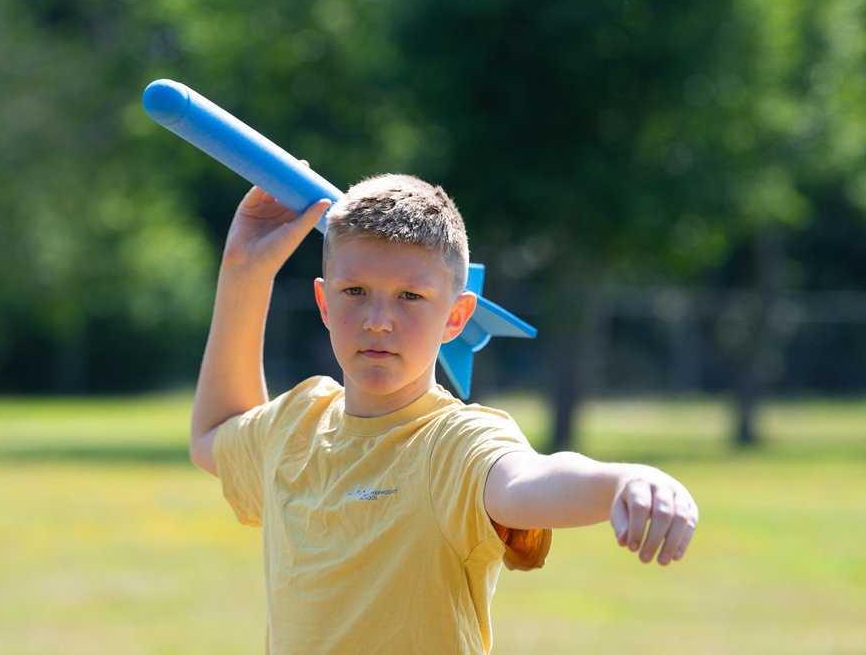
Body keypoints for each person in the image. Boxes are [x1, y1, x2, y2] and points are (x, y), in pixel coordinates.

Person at [190, 173, 699, 654]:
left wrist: (622, 481)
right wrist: (245, 270)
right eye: (355, 291)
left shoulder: (454, 442)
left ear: (456, 316)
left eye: (410, 296)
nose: (378, 321)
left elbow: (529, 479)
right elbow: (213, 433)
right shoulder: (296, 424)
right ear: (324, 303)